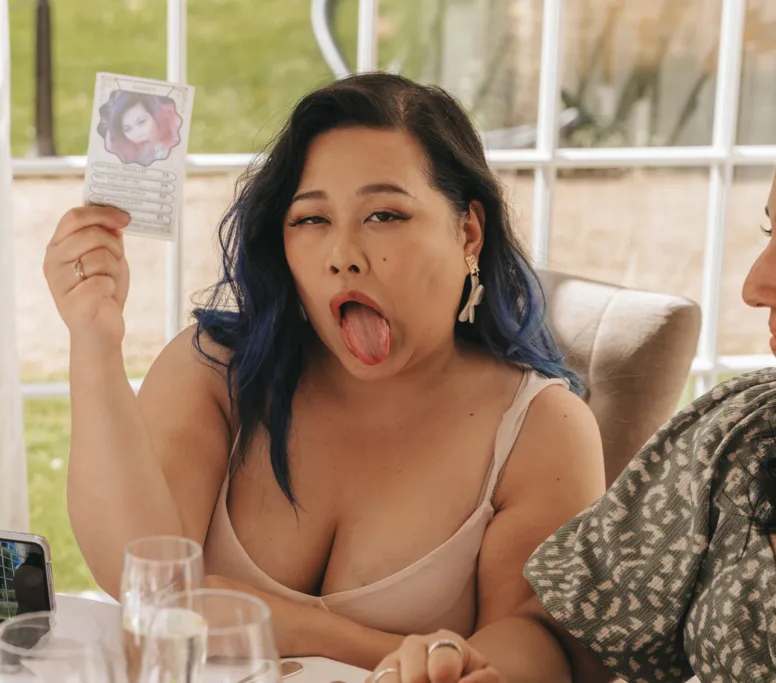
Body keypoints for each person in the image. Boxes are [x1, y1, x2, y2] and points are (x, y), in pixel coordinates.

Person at [46, 73, 604, 668]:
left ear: (468, 230)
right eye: (311, 220)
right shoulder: (216, 370)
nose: (343, 256)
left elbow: (533, 645)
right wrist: (95, 342)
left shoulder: (540, 428)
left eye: (385, 215)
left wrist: (262, 621)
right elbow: (142, 580)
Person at [367, 172, 776, 682]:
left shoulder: (538, 420)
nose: (754, 288)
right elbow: (568, 634)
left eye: (386, 215)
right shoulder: (740, 436)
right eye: (768, 233)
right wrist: (479, 668)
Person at [97, 91, 182, 167]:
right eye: (128, 129)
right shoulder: (116, 143)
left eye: (142, 122)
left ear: (154, 114)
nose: (137, 134)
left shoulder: (175, 126)